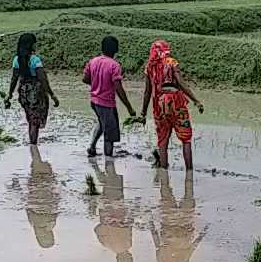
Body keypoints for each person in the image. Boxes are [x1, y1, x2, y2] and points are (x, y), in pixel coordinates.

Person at [141, 40, 203, 170]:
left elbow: (147, 92)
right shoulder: (171, 62)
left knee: (163, 141)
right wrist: (195, 100)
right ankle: (189, 172)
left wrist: (143, 113)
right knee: (186, 139)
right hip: (176, 103)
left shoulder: (149, 67)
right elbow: (181, 83)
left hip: (159, 106)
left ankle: (164, 173)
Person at [83, 35, 137, 158]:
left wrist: (98, 82)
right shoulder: (114, 65)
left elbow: (85, 79)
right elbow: (118, 88)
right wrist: (129, 107)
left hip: (94, 101)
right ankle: (109, 160)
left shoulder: (93, 61)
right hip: (106, 104)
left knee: (102, 124)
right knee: (110, 134)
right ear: (116, 50)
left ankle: (92, 146)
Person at [5, 33, 58, 145]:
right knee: (35, 121)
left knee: (30, 118)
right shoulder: (35, 60)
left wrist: (9, 94)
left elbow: (14, 78)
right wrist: (52, 94)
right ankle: (33, 146)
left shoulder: (17, 60)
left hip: (23, 91)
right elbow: (43, 79)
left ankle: (32, 143)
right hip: (36, 92)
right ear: (31, 45)